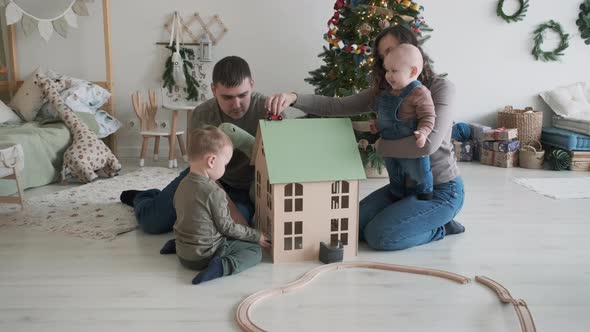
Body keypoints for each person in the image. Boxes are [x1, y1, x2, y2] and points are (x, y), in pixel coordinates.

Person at [265, 26, 465, 251]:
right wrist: (293, 97)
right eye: (382, 56)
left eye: (391, 50)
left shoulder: (441, 89)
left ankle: (440, 226)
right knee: (349, 227)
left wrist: (381, 145)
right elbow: (337, 105)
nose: (387, 61)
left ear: (411, 50)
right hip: (401, 187)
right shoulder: (387, 92)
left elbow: (426, 145)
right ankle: (416, 217)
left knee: (380, 236)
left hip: (439, 190)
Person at [120, 56, 280, 234]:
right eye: (227, 97)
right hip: (203, 176)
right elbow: (203, 172)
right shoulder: (202, 114)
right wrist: (232, 211)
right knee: (152, 222)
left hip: (246, 188)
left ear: (251, 84)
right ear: (213, 89)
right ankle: (144, 196)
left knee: (225, 232)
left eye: (242, 95)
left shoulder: (268, 112)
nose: (236, 105)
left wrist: (237, 214)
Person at [173, 126, 270, 284]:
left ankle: (178, 244)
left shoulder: (182, 185)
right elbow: (228, 228)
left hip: (183, 254)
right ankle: (221, 267)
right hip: (204, 256)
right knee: (254, 251)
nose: (225, 168)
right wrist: (256, 235)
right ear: (212, 161)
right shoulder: (214, 191)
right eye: (225, 163)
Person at [372, 43, 435, 201]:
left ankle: (424, 195)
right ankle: (396, 194)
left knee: (418, 173)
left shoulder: (419, 92)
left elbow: (428, 117)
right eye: (387, 70)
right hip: (390, 148)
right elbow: (386, 117)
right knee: (394, 175)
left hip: (410, 146)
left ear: (413, 71)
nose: (388, 75)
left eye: (394, 71)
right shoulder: (388, 93)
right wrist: (377, 125)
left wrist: (423, 132)